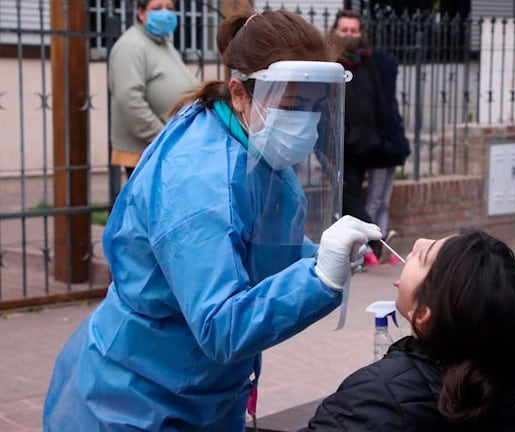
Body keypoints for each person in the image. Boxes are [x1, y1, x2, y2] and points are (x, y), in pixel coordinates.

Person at [43, 9, 382, 431]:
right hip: (137, 400)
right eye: (294, 105)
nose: (306, 121)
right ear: (239, 92)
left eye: (315, 106)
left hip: (203, 391)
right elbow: (221, 325)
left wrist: (322, 255)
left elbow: (260, 253)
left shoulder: (256, 149)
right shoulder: (197, 185)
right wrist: (319, 279)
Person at [301, 230, 515, 431]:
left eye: (423, 259)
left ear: (423, 312)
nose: (418, 243)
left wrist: (313, 280)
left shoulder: (377, 397)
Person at [330, 10, 410, 265]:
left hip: (367, 144)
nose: (350, 35)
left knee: (372, 199)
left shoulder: (369, 62)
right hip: (339, 145)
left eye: (354, 30)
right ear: (335, 31)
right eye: (345, 30)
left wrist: (381, 137)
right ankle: (369, 245)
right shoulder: (330, 63)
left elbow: (381, 102)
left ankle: (367, 249)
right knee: (347, 199)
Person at [108, 0, 197, 179]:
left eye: (170, 9)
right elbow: (129, 100)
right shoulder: (131, 45)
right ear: (141, 13)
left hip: (169, 146)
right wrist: (163, 136)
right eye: (157, 8)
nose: (165, 14)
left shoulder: (163, 43)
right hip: (148, 150)